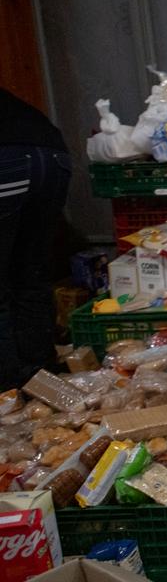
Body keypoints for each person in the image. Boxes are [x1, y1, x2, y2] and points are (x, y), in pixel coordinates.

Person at [0, 87, 71, 391]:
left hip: (7, 160)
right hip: (53, 156)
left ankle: (7, 389)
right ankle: (42, 379)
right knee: (31, 275)